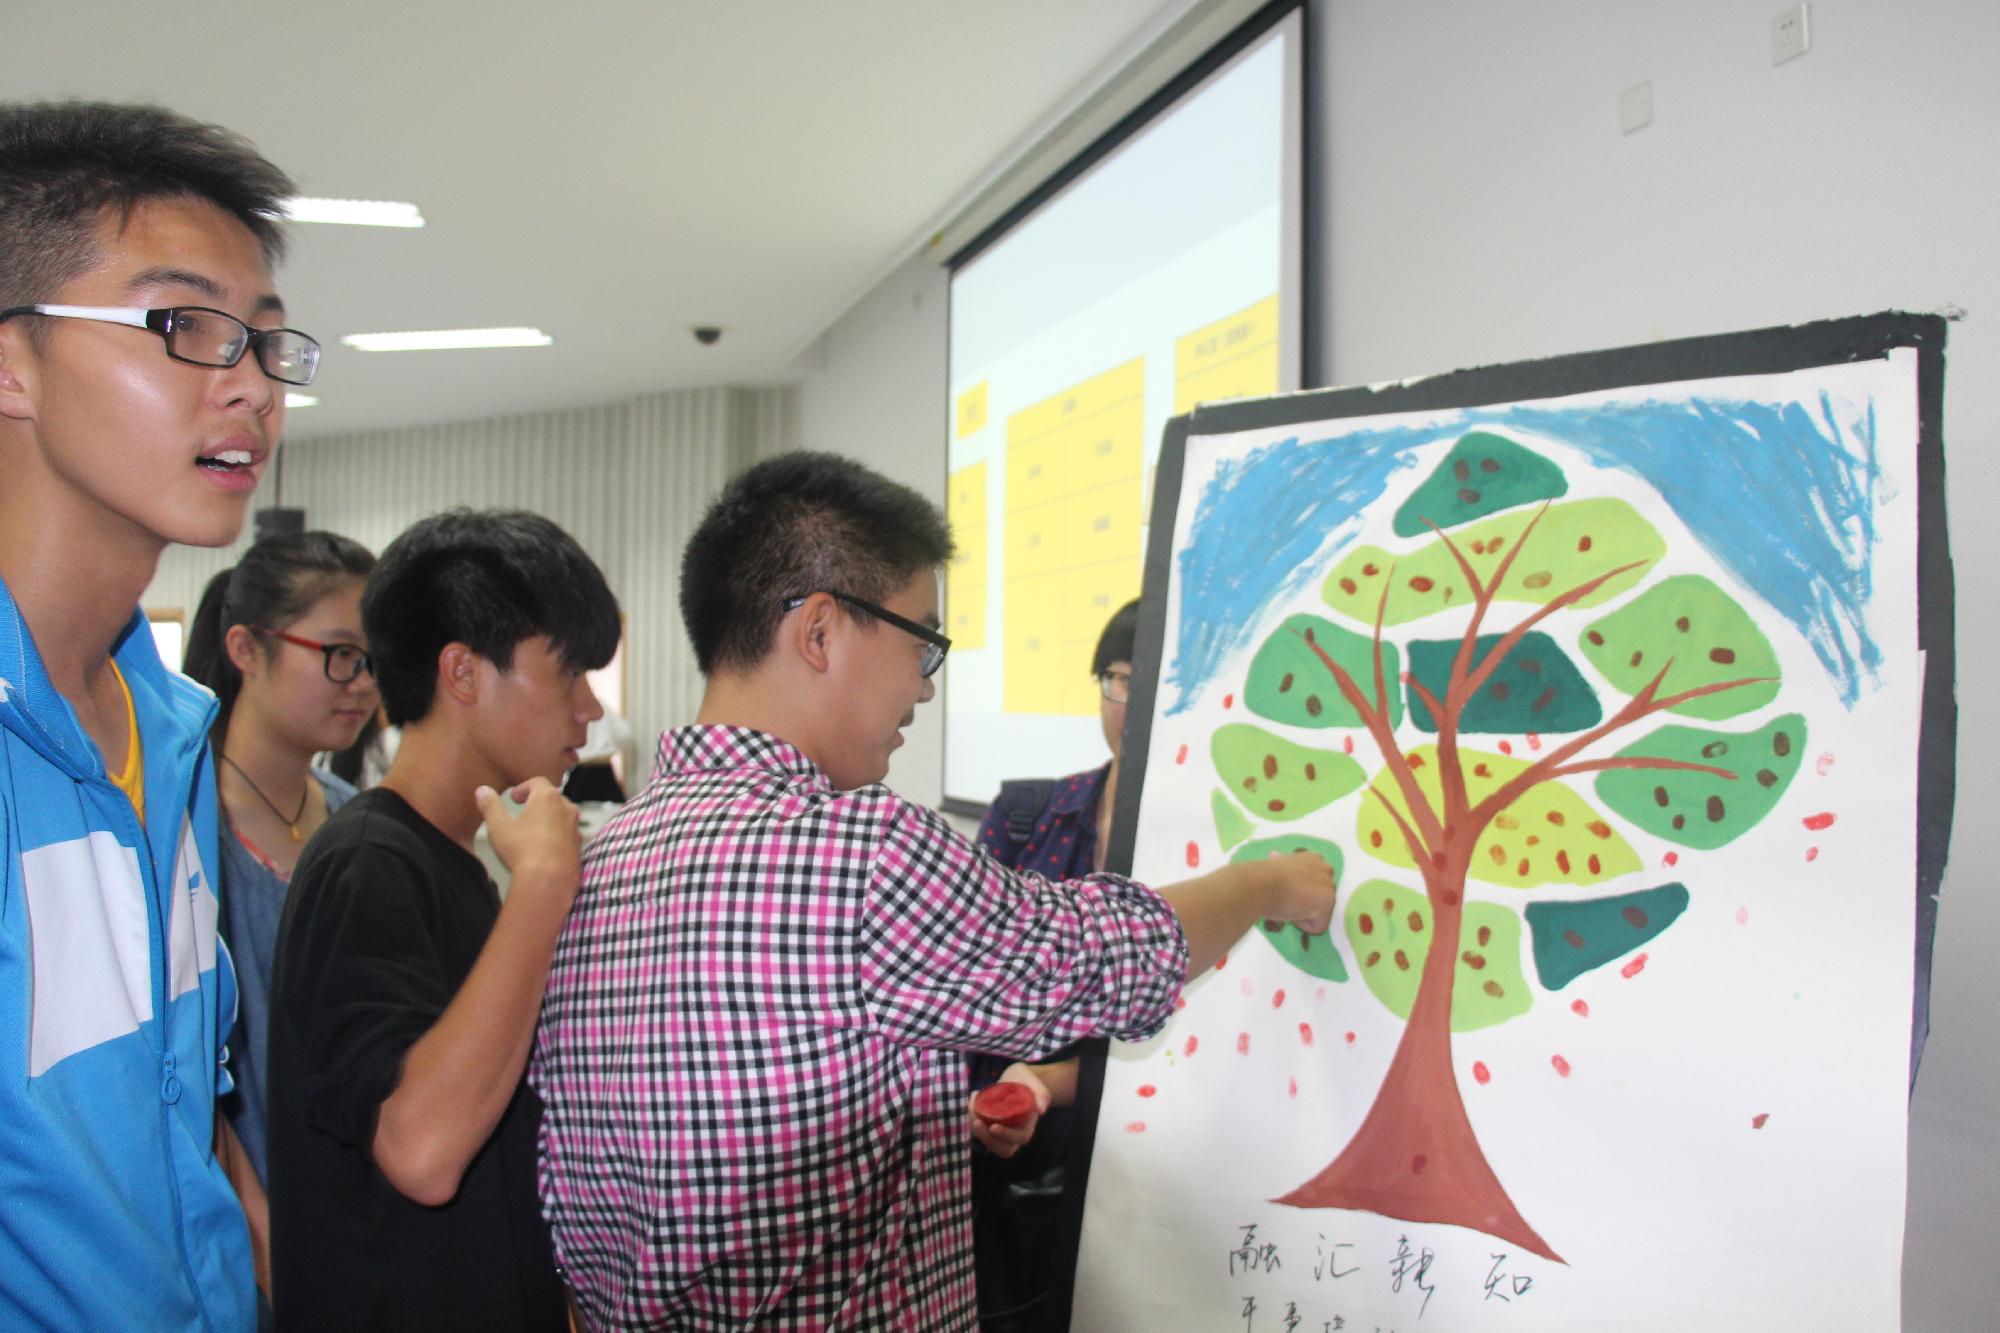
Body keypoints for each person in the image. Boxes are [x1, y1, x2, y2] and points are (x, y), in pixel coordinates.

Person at [533, 451, 1334, 1330]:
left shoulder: (598, 858)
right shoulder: (858, 852)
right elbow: (1107, 956)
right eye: (922, 641)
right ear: (820, 631)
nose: (923, 683)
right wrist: (1267, 881)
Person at [0, 100, 311, 1329]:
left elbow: (183, 1111)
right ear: (13, 362)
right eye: (184, 326)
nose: (253, 388)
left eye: (267, 343)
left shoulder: (171, 732)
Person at [265, 509, 618, 1331]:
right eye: (569, 672)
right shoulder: (364, 864)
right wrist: (541, 885)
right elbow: (421, 1149)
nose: (590, 708)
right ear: (462, 672)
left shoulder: (451, 864)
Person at [183, 530, 378, 1194]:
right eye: (341, 654)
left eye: (374, 660)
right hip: (233, 1213)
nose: (364, 683)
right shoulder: (183, 823)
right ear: (245, 648)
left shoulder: (360, 822)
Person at [969, 597, 1138, 1329]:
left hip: (1140, 1177)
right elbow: (973, 984)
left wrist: (1049, 1081)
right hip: (1010, 1169)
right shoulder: (1027, 816)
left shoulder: (1212, 849)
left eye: (1154, 685)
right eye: (1120, 679)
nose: (1132, 705)